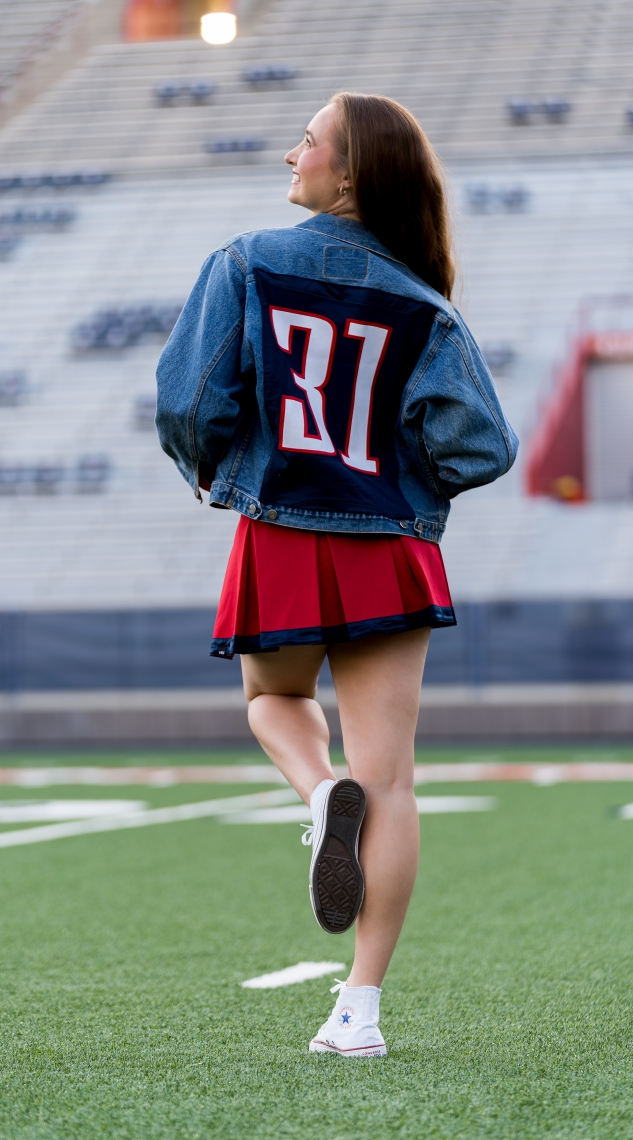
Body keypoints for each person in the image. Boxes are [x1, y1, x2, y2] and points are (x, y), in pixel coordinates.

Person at [156, 93, 517, 1058]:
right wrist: (407, 486)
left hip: (281, 528)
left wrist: (212, 467)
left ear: (345, 172)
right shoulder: (425, 300)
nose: (291, 151)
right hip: (390, 543)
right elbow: (483, 445)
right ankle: (358, 1010)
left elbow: (186, 402)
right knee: (391, 782)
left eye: (307, 141)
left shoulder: (244, 262)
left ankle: (318, 796)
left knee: (273, 703)